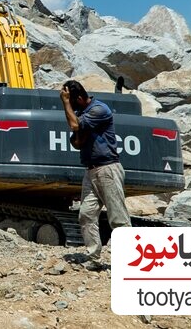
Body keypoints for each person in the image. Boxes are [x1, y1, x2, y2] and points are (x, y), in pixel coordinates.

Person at [60, 80, 131, 263]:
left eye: (73, 103)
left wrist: (66, 103)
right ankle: (94, 257)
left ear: (81, 98)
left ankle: (129, 260)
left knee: (118, 218)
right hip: (91, 171)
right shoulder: (82, 113)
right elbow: (76, 141)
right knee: (86, 214)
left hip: (107, 168)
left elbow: (75, 127)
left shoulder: (99, 110)